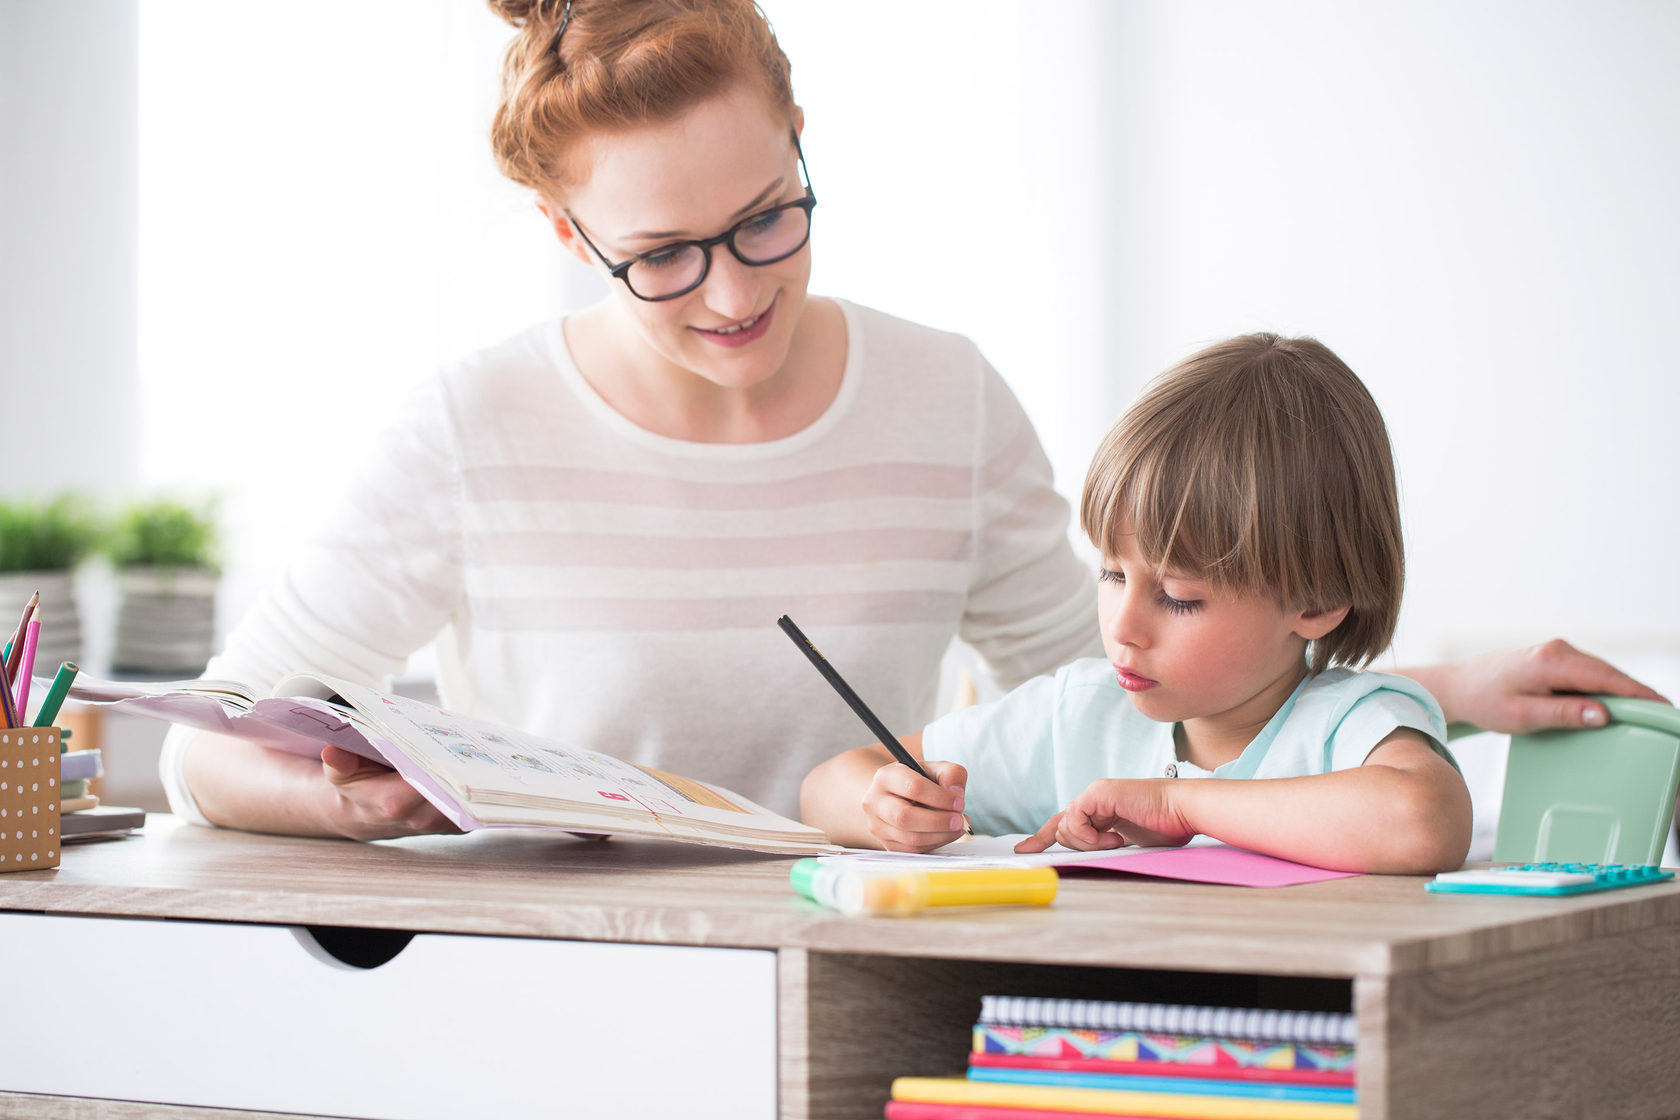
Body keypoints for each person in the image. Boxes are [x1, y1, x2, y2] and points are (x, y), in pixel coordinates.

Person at [161, 0, 1661, 842]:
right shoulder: (471, 426)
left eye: (766, 221)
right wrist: (347, 807)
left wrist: (1428, 690)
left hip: (862, 975)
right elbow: (205, 751)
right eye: (661, 258)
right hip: (574, 981)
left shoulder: (942, 396)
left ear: (805, 141)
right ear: (567, 238)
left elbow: (1130, 693)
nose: (731, 294)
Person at [802, 335, 1477, 872]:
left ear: (1320, 600)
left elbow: (1424, 821)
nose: (1122, 628)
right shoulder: (1076, 718)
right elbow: (826, 785)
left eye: (1179, 598)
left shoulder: (1348, 728)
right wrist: (886, 809)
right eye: (1112, 574)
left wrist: (1178, 803)